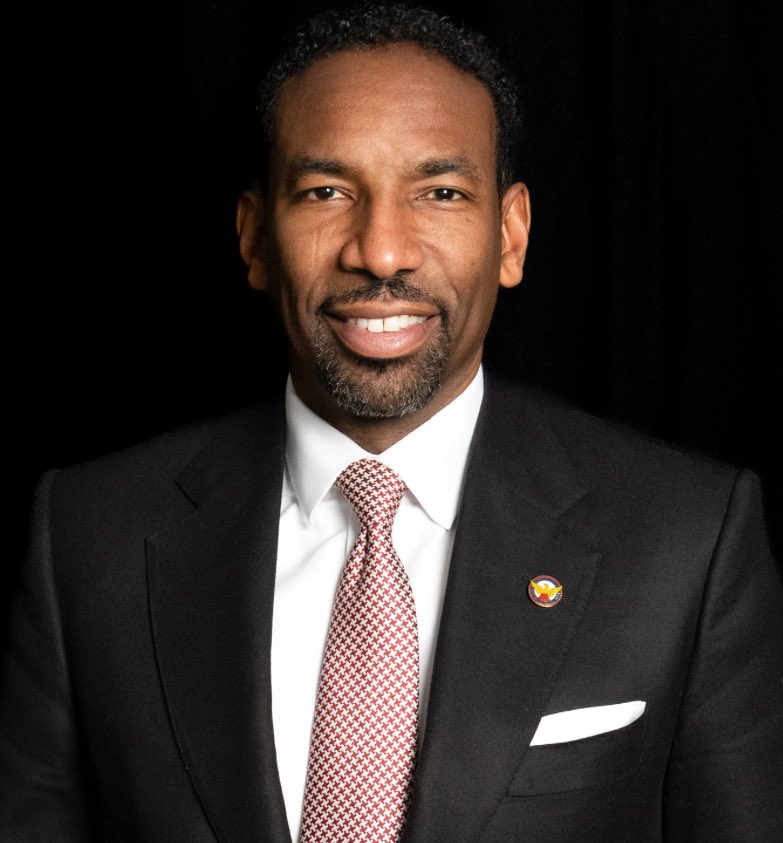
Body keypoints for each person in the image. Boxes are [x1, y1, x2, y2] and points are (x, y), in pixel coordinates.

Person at [2, 3, 782, 841]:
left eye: (439, 193)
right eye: (326, 192)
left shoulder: (686, 541)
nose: (379, 252)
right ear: (255, 237)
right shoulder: (87, 538)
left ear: (510, 235)